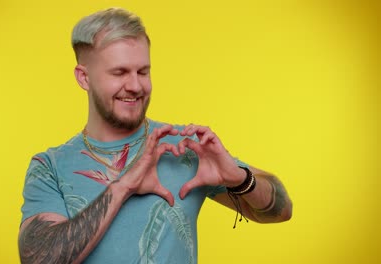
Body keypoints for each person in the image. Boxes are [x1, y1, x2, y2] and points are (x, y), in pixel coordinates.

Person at [18, 7, 292, 264]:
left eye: (143, 71)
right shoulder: (50, 167)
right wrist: (123, 186)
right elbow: (38, 257)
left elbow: (281, 211)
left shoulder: (183, 148)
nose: (135, 85)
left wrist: (240, 179)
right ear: (84, 78)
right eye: (120, 72)